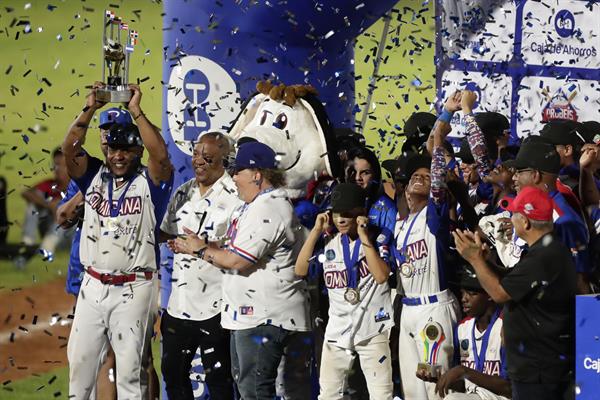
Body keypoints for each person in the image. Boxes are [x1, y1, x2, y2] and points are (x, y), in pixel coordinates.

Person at [168, 141, 311, 400]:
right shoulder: (256, 204)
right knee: (250, 389)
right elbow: (237, 249)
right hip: (254, 315)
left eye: (238, 171)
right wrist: (204, 244)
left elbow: (239, 261)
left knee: (255, 392)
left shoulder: (268, 208)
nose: (232, 177)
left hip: (264, 316)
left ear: (257, 175)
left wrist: (200, 251)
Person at [63, 82, 173, 399]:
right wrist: (89, 107)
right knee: (79, 369)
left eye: (126, 149)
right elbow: (70, 149)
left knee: (128, 375)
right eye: (113, 149)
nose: (119, 155)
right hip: (92, 286)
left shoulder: (151, 184)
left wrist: (136, 111)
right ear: (105, 151)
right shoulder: (92, 175)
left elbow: (162, 156)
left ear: (138, 151)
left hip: (134, 288)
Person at [453, 186, 576, 400]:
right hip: (541, 367)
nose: (510, 220)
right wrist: (488, 261)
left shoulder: (543, 256)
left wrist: (474, 260)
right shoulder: (546, 250)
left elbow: (500, 293)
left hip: (539, 372)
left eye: (514, 215)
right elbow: (513, 280)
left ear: (526, 222)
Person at [56, 107, 135, 400]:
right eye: (104, 130)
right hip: (86, 273)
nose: (108, 137)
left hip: (126, 280)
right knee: (89, 354)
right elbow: (62, 218)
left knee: (130, 360)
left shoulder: (136, 176)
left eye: (115, 131)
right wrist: (88, 191)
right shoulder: (86, 173)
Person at [159, 132, 240, 399]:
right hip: (179, 305)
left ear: (224, 159)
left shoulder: (236, 196)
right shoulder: (184, 192)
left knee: (219, 383)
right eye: (196, 154)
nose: (199, 161)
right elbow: (167, 232)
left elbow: (241, 251)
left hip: (216, 307)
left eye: (208, 157)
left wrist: (200, 246)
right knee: (173, 376)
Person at [295, 183, 394, 399]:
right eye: (337, 212)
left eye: (347, 213)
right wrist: (315, 230)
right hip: (337, 330)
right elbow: (300, 269)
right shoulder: (329, 241)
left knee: (381, 395)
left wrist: (364, 236)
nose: (340, 219)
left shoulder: (378, 237)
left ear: (361, 212)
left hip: (372, 328)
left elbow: (381, 276)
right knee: (328, 395)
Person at [394, 92, 461, 400]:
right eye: (415, 176)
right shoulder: (400, 225)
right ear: (405, 186)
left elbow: (435, 166)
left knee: (436, 390)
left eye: (426, 175)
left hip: (433, 308)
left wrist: (445, 115)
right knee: (412, 391)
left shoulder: (432, 216)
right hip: (408, 309)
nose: (422, 178)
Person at [506, 137, 591, 293]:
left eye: (519, 172)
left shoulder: (565, 221)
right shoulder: (525, 206)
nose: (514, 178)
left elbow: (580, 281)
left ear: (536, 175)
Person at [419, 264, 511, 400]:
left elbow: (510, 388)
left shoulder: (505, 327)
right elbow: (465, 384)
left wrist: (464, 371)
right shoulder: (462, 328)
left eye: (472, 293)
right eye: (462, 293)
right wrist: (439, 378)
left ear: (490, 294)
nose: (464, 299)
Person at [17, 147, 71, 266]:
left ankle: (48, 246)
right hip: (48, 228)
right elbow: (26, 192)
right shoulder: (50, 185)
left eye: (61, 166)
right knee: (33, 206)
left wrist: (59, 206)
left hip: (67, 239)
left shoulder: (77, 187)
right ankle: (28, 242)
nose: (57, 169)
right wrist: (48, 205)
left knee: (65, 211)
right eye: (55, 165)